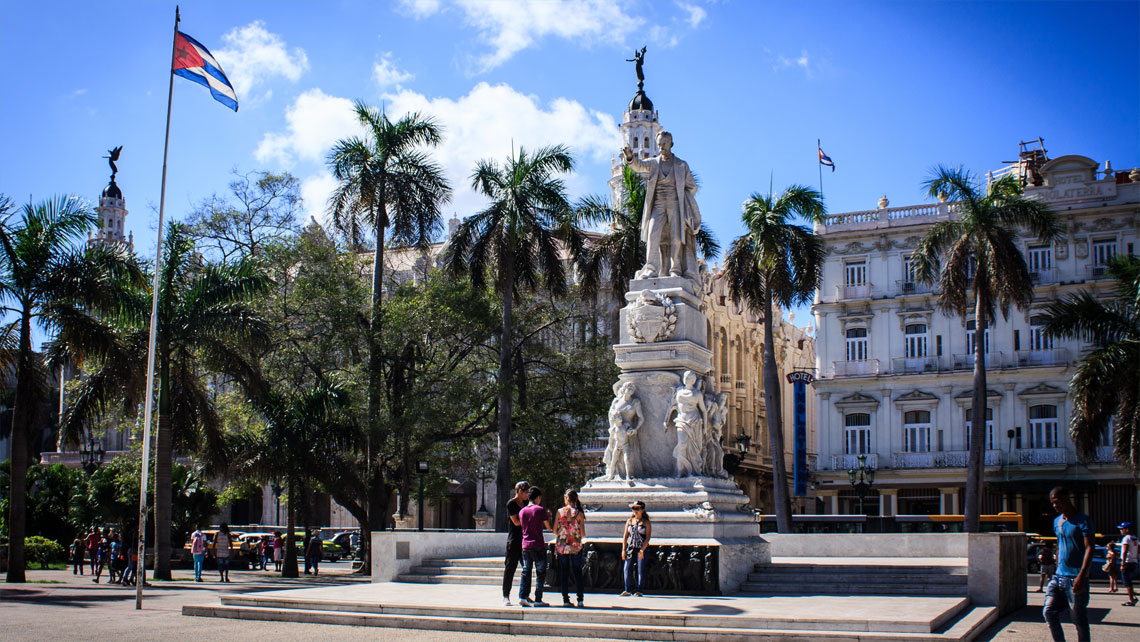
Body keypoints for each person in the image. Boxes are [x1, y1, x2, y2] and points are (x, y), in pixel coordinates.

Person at [1043, 486, 1093, 642]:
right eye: (1052, 503)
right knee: (1049, 612)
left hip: (1075, 577)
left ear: (1066, 499)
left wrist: (1082, 575)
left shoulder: (1083, 520)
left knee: (1078, 619)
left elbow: (1090, 547)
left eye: (1057, 502)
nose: (1055, 506)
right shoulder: (1057, 521)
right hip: (1059, 576)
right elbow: (1060, 544)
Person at [518, 486, 552, 607]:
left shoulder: (522, 511)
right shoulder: (540, 510)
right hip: (538, 544)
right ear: (538, 497)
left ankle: (523, 596)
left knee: (526, 571)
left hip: (525, 545)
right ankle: (538, 599)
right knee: (540, 572)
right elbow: (548, 527)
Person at [554, 489, 586, 608]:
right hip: (576, 546)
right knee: (577, 572)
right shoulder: (579, 514)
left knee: (564, 572)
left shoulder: (559, 512)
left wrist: (563, 532)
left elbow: (554, 530)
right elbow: (583, 534)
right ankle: (580, 599)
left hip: (562, 546)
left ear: (567, 499)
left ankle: (565, 599)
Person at [501, 480, 530, 606]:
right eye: (525, 492)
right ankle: (506, 595)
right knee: (510, 569)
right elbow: (516, 522)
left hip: (525, 540)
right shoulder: (511, 503)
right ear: (519, 491)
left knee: (527, 568)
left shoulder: (526, 503)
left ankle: (525, 595)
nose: (526, 495)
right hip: (514, 540)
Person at [621, 500, 652, 597]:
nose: (635, 511)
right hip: (630, 547)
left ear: (642, 510)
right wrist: (623, 549)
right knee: (626, 568)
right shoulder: (630, 521)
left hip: (641, 548)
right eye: (633, 508)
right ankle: (627, 589)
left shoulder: (646, 522)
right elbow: (625, 536)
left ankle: (639, 590)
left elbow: (647, 537)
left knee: (640, 569)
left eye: (637, 509)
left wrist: (642, 550)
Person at [1120, 521, 1138, 606]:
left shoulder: (1126, 538)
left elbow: (1124, 551)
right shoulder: (1135, 538)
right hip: (1133, 561)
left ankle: (1131, 600)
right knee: (1129, 581)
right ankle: (1133, 596)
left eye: (1122, 529)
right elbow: (1137, 550)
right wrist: (1136, 559)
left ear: (1127, 530)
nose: (1121, 530)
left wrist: (1122, 563)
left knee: (1127, 582)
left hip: (1127, 562)